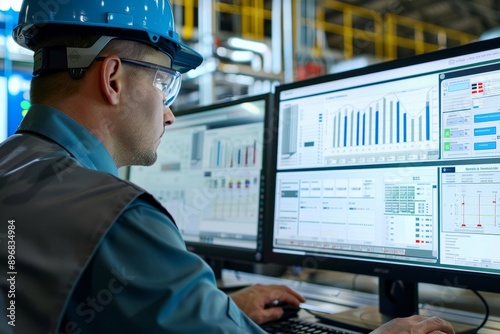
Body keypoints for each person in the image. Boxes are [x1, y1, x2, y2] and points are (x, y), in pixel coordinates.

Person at [0, 1, 455, 333]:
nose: (169, 112)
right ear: (113, 78)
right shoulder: (116, 219)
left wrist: (211, 309)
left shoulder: (11, 168)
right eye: (165, 82)